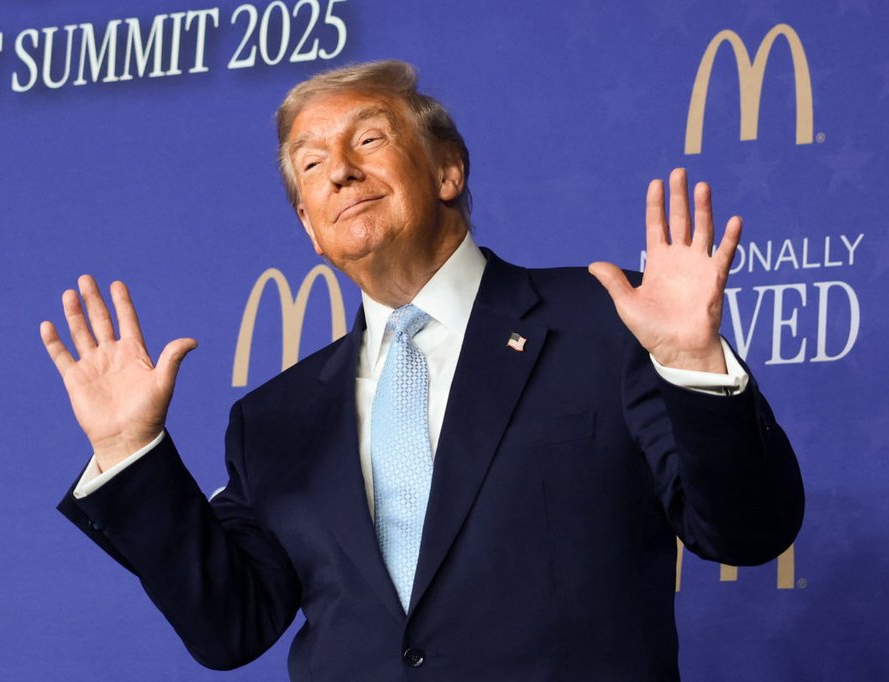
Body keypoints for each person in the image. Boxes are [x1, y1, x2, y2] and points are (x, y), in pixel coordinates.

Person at [43, 60, 803, 681]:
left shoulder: (603, 322)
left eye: (367, 140)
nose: (338, 171)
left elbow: (745, 531)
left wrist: (692, 365)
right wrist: (130, 453)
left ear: (447, 170)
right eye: (311, 164)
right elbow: (230, 627)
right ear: (308, 225)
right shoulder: (275, 419)